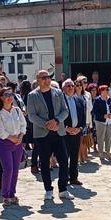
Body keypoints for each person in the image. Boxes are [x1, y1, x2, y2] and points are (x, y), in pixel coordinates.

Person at [26, 70, 74, 201]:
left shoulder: (58, 93)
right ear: (37, 79)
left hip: (58, 132)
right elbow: (31, 115)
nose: (46, 80)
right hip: (43, 134)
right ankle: (48, 190)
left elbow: (65, 111)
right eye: (43, 77)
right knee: (45, 162)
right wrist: (47, 124)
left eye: (48, 77)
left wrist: (57, 121)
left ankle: (63, 189)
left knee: (64, 161)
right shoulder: (32, 95)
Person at [0, 87, 26, 206]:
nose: (9, 97)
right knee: (8, 169)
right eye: (6, 94)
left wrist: (20, 137)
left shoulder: (17, 110)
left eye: (11, 94)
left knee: (16, 170)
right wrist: (12, 138)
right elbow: (0, 130)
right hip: (5, 143)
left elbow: (23, 125)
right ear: (1, 97)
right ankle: (5, 195)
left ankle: (12, 194)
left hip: (18, 143)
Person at [62, 79, 86, 185]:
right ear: (63, 88)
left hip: (77, 133)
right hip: (64, 133)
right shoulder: (60, 101)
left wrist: (79, 128)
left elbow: (83, 118)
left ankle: (73, 177)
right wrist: (66, 128)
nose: (71, 88)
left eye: (72, 86)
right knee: (64, 157)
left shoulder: (79, 100)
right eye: (68, 86)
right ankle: (64, 178)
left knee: (74, 156)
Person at [92, 85, 111, 161]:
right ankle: (101, 153)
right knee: (100, 137)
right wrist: (103, 116)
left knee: (109, 137)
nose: (107, 91)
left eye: (108, 90)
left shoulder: (110, 100)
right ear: (101, 91)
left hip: (110, 121)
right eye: (106, 90)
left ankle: (108, 152)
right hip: (100, 121)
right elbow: (94, 112)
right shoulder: (97, 100)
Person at [75, 78, 92, 164]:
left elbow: (90, 109)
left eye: (86, 82)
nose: (80, 86)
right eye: (82, 83)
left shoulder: (87, 94)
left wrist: (89, 122)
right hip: (77, 122)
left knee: (84, 141)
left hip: (86, 120)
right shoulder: (74, 96)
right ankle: (78, 157)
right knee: (79, 141)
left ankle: (84, 156)